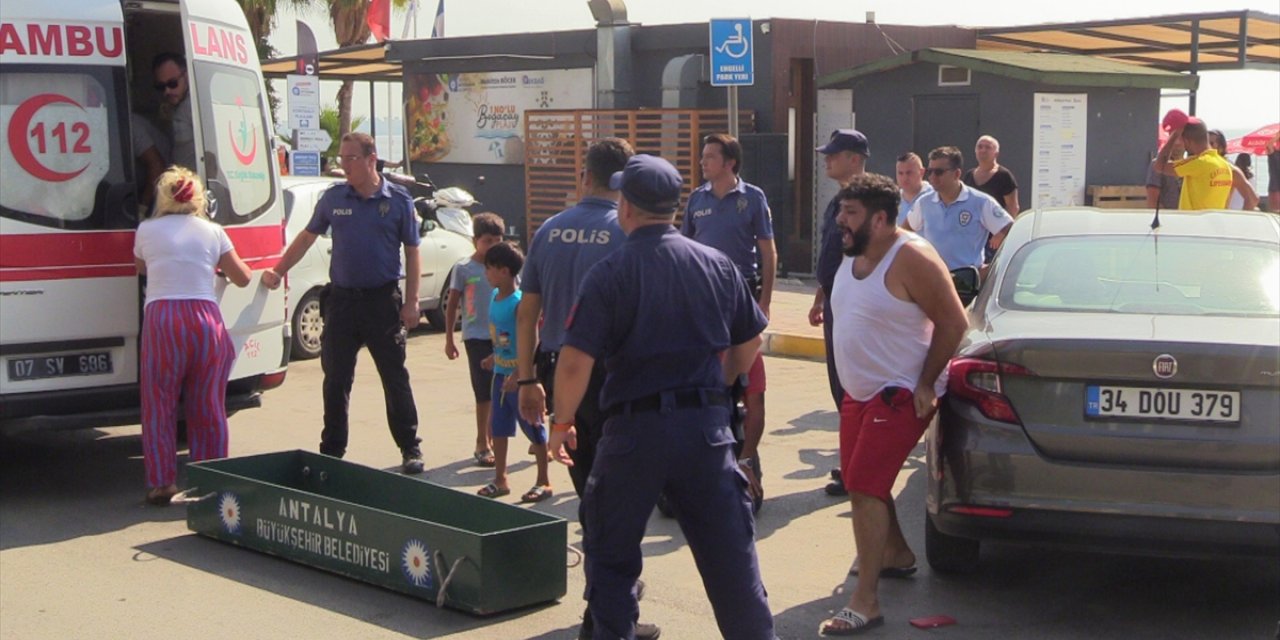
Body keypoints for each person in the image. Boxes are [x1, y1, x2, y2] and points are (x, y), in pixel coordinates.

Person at [547, 154, 774, 639]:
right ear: (674, 208)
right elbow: (749, 344)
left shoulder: (611, 273)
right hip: (705, 433)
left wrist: (561, 423)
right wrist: (720, 384)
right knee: (734, 571)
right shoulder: (717, 265)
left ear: (625, 207)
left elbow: (573, 363)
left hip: (634, 434)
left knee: (612, 564)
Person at [514, 138, 659, 639]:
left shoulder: (550, 231)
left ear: (584, 175)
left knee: (593, 495)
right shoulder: (627, 232)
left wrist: (529, 377)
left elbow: (527, 311)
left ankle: (609, 606)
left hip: (559, 373)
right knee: (619, 500)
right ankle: (609, 609)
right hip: (614, 379)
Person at [818, 174, 968, 635]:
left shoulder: (913, 258)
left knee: (862, 485)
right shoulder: (855, 252)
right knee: (869, 478)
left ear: (881, 219)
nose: (840, 221)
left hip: (900, 390)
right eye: (841, 211)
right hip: (859, 393)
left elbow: (954, 321)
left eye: (851, 213)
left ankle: (866, 602)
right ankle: (896, 555)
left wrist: (925, 383)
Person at [262, 132, 425, 474]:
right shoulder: (334, 198)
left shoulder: (397, 201)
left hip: (382, 302)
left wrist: (411, 302)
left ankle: (410, 447)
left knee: (394, 377)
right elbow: (307, 237)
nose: (344, 165)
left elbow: (412, 252)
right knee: (336, 379)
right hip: (342, 302)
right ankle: (332, 450)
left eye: (351, 158)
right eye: (342, 158)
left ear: (371, 159)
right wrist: (278, 270)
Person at [133, 166, 252, 505]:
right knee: (208, 406)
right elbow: (242, 276)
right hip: (204, 320)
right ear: (199, 198)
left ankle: (161, 483)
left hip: (163, 320)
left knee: (159, 404)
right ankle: (208, 483)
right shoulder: (214, 232)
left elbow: (141, 267)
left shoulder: (146, 230)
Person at [682, 132, 776, 509]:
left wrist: (765, 302)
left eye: (710, 157)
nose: (703, 162)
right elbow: (683, 249)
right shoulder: (696, 199)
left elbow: (768, 252)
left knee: (752, 383)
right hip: (702, 302)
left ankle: (748, 457)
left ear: (730, 163)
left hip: (742, 300)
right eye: (703, 157)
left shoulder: (753, 198)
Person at [807, 129, 869, 498]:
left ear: (856, 159)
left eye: (835, 154)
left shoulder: (866, 201)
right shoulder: (842, 199)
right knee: (839, 384)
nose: (826, 159)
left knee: (851, 385)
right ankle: (852, 461)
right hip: (835, 298)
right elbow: (833, 252)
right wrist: (819, 295)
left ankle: (857, 470)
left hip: (853, 301)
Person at [475, 242, 553, 502]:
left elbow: (533, 340)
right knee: (497, 428)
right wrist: (492, 357)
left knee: (534, 427)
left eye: (489, 269)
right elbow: (503, 339)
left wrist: (521, 371)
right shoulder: (495, 299)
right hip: (499, 375)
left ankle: (543, 480)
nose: (486, 274)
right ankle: (500, 478)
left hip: (520, 381)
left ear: (505, 271)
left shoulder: (519, 303)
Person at [444, 213, 506, 468]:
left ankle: (524, 438)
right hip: (476, 337)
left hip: (502, 336)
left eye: (497, 241)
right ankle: (483, 442)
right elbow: (452, 304)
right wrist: (449, 338)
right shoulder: (464, 268)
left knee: (505, 390)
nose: (492, 246)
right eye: (487, 241)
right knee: (484, 392)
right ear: (475, 240)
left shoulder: (506, 266)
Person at [905, 146, 1014, 279]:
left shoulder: (980, 202)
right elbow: (904, 231)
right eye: (930, 171)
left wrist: (991, 268)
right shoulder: (924, 203)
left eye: (939, 172)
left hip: (966, 284)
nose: (932, 177)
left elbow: (1011, 229)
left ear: (957, 174)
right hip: (932, 281)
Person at [1154, 119, 1232, 210]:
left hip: (1191, 221)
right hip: (1214, 221)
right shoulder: (1225, 166)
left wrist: (1174, 136)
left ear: (1187, 141)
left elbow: (1159, 165)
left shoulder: (1198, 162)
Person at [152, 53, 195, 171]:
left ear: (186, 76)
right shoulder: (172, 107)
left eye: (172, 83)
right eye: (161, 87)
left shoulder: (194, 106)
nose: (167, 91)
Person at [963, 135, 1020, 216]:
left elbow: (1013, 208)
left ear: (996, 153)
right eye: (980, 147)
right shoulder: (969, 175)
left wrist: (1002, 226)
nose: (983, 150)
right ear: (975, 151)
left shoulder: (1004, 176)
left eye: (988, 147)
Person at [1207, 129, 1260, 210]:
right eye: (1204, 143)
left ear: (1221, 147)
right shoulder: (1200, 166)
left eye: (1211, 143)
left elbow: (1253, 199)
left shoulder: (1229, 169)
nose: (1207, 147)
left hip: (1222, 217)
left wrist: (1240, 220)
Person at [895, 152, 933, 228]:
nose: (904, 178)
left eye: (909, 173)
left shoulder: (934, 197)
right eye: (900, 173)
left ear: (922, 172)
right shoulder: (894, 200)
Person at [1145, 138, 1184, 210]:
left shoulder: (1191, 166)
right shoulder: (1157, 165)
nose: (1177, 143)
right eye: (1175, 138)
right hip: (1166, 216)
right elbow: (1152, 202)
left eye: (1181, 138)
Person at [1268, 130, 1280, 212]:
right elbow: (1269, 145)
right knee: (1276, 214)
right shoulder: (1274, 152)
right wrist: (1277, 135)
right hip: (1275, 188)